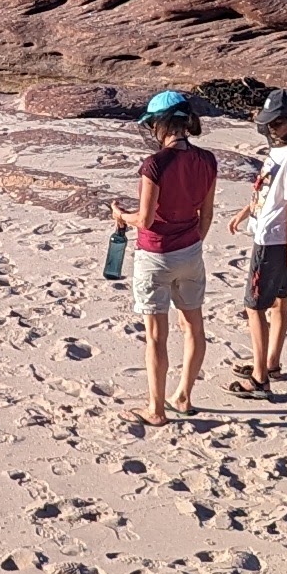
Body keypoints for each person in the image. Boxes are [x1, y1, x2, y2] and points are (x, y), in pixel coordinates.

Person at [108, 90, 216, 425]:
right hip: (190, 251)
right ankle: (184, 395)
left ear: (161, 124)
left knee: (156, 335)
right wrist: (192, 243)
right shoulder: (207, 160)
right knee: (193, 325)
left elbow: (146, 218)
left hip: (155, 254)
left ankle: (155, 409)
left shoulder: (154, 164)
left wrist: (121, 216)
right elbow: (207, 214)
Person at [232, 89, 287, 397]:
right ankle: (271, 362)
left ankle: (260, 378)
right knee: (278, 299)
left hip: (274, 240)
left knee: (254, 306)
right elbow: (266, 191)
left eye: (277, 123)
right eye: (269, 123)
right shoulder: (278, 151)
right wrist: (244, 212)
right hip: (272, 233)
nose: (271, 129)